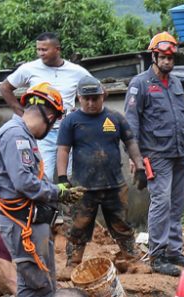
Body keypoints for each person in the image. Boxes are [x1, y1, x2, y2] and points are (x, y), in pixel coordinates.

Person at [0, 83, 84, 297]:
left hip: (31, 222)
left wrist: (55, 192)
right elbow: (24, 182)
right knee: (36, 285)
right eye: (52, 125)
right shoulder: (16, 136)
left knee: (42, 282)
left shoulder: (22, 136)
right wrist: (57, 193)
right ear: (50, 117)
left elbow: (31, 178)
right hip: (23, 223)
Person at [124, 32, 184, 277]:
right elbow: (131, 122)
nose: (167, 61)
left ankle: (174, 250)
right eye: (163, 57)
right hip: (156, 155)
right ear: (153, 56)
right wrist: (135, 158)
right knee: (161, 203)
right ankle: (157, 255)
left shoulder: (176, 83)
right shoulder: (140, 84)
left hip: (179, 153)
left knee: (177, 204)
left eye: (170, 57)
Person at [56, 75, 143, 268]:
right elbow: (63, 149)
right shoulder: (70, 121)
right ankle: (73, 263)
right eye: (86, 98)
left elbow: (131, 142)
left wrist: (140, 166)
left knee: (122, 224)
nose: (90, 103)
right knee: (78, 227)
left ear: (103, 95)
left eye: (95, 98)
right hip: (83, 186)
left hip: (115, 185)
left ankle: (132, 259)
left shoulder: (115, 118)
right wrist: (62, 178)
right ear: (79, 98)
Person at [0, 32, 92, 181]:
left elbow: (98, 90)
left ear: (57, 49)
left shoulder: (76, 71)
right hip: (42, 132)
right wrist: (23, 114)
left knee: (70, 177)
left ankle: (69, 204)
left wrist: (83, 114)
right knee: (44, 175)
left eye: (45, 49)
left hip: (68, 128)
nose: (40, 53)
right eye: (38, 50)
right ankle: (45, 204)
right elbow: (5, 88)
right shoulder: (29, 69)